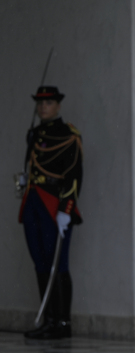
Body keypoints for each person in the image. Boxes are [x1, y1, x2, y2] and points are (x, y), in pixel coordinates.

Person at [19, 86, 83, 339]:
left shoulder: (67, 133)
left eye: (49, 103)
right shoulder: (35, 133)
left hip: (53, 203)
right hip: (33, 202)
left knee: (58, 263)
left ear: (57, 105)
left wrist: (66, 209)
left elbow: (74, 175)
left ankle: (63, 323)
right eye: (40, 103)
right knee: (41, 262)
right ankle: (50, 320)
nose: (43, 107)